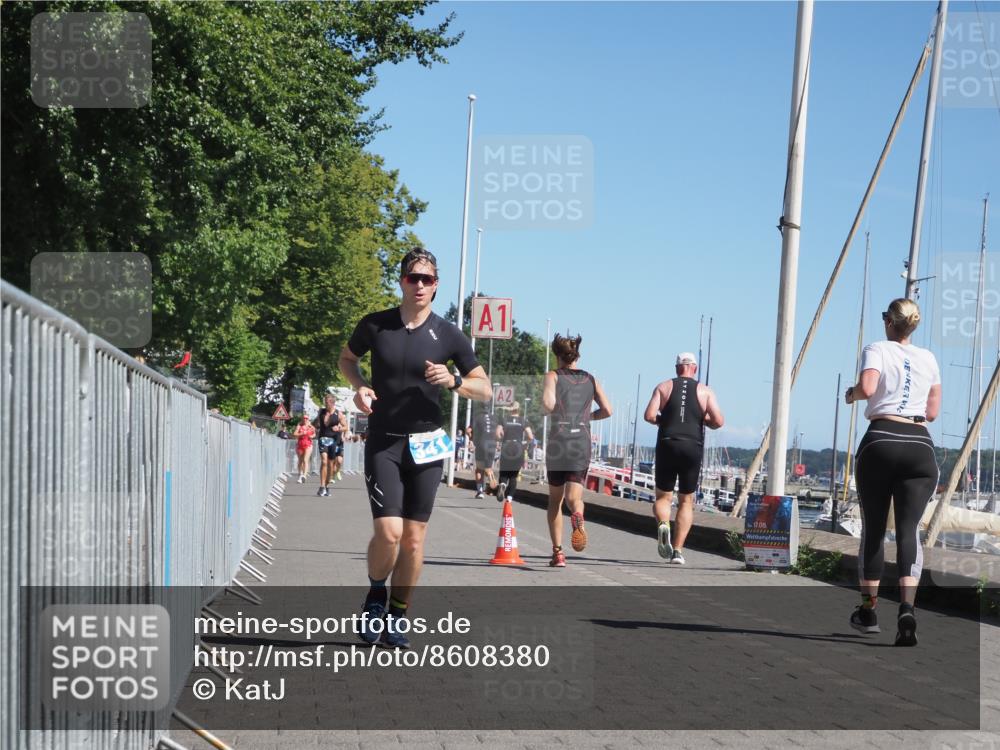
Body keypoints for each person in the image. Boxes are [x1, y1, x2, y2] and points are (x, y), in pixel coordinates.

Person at [338, 248, 491, 648]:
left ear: (436, 285)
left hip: (428, 444)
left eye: (427, 279)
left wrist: (454, 381)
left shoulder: (450, 335)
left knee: (414, 539)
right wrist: (360, 387)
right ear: (402, 281)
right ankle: (375, 596)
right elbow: (347, 359)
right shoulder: (376, 325)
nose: (419, 285)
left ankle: (398, 614)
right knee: (389, 533)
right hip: (384, 441)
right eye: (413, 278)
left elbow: (485, 387)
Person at [845, 298, 940, 647]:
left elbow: (868, 388)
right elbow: (932, 412)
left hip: (881, 440)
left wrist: (851, 395)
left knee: (873, 528)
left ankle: (869, 611)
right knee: (908, 530)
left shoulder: (877, 348)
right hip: (919, 446)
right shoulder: (929, 358)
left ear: (888, 321)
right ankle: (907, 610)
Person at [643, 352, 725, 565]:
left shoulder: (664, 387)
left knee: (663, 497)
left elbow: (649, 415)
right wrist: (702, 419)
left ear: (677, 368)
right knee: (686, 501)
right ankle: (678, 551)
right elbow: (718, 420)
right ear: (694, 368)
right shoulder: (705, 391)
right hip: (692, 446)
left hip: (668, 442)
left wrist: (664, 420)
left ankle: (663, 524)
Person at [542, 333, 612, 567]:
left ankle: (558, 553)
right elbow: (608, 410)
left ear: (557, 355)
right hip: (580, 439)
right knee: (574, 498)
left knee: (555, 501)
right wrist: (587, 416)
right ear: (577, 355)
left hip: (558, 440)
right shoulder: (591, 380)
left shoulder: (552, 376)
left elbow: (549, 404)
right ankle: (578, 515)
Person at [496, 402, 534, 503]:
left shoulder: (504, 419)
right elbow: (530, 436)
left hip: (506, 447)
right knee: (513, 475)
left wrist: (501, 439)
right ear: (519, 410)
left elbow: (497, 433)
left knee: (504, 472)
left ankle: (503, 485)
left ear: (510, 410)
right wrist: (525, 444)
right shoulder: (523, 421)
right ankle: (509, 499)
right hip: (518, 447)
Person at [313, 392, 348, 497]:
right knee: (324, 461)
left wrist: (339, 428)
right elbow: (316, 423)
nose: (325, 403)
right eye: (325, 401)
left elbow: (346, 427)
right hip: (323, 439)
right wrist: (313, 426)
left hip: (334, 441)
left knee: (330, 465)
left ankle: (327, 486)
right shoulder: (321, 411)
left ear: (332, 403)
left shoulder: (339, 414)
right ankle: (322, 486)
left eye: (327, 402)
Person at [473, 406, 498, 499]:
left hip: (481, 444)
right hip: (492, 445)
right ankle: (491, 476)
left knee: (479, 469)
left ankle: (480, 491)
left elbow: (469, 431)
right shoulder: (495, 418)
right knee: (488, 467)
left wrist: (472, 441)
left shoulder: (477, 418)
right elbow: (499, 433)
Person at [293, 414, 316, 483]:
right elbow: (294, 434)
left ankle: (304, 476)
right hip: (300, 444)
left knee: (305, 460)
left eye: (306, 418)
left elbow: (314, 433)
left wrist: (312, 436)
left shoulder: (311, 426)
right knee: (300, 460)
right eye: (304, 418)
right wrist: (301, 434)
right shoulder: (299, 426)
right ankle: (300, 474)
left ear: (308, 419)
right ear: (302, 419)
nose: (305, 419)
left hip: (308, 444)